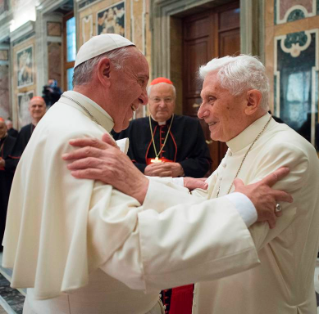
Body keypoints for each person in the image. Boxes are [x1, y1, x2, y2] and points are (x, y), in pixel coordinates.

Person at [3, 35, 292, 314]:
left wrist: (172, 182)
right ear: (105, 71)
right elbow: (135, 251)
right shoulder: (81, 137)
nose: (145, 97)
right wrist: (244, 206)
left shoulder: (63, 120)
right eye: (141, 81)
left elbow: (103, 200)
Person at [66, 55, 319, 314]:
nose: (200, 112)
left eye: (211, 99)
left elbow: (236, 236)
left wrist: (139, 185)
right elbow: (205, 203)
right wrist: (143, 185)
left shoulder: (287, 152)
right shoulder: (237, 145)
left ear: (250, 101)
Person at [113, 77, 212, 178]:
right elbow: (117, 161)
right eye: (157, 99)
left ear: (174, 101)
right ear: (148, 101)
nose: (162, 105)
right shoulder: (130, 128)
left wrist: (181, 168)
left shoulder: (191, 126)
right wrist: (143, 170)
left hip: (181, 187)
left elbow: (205, 162)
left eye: (168, 99)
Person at [0, 118, 17, 252]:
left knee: (6, 211)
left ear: (6, 128)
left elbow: (20, 162)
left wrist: (4, 163)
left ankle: (7, 243)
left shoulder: (14, 141)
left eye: (1, 127)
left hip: (7, 183)